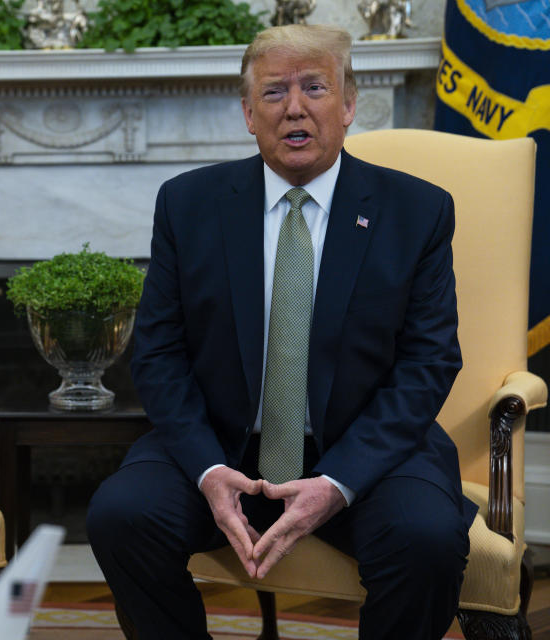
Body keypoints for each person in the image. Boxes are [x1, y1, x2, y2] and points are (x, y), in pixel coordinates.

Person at [87, 24, 476, 640]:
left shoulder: (417, 211)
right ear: (248, 112)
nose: (294, 107)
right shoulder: (187, 205)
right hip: (223, 448)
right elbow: (159, 355)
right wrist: (210, 472)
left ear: (349, 104)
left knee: (425, 537)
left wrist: (336, 481)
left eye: (314, 87)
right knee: (119, 515)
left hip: (362, 449)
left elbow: (428, 362)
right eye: (273, 92)